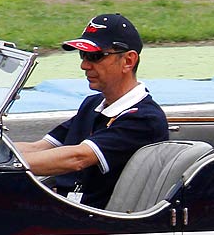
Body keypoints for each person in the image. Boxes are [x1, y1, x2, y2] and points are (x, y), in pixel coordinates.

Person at [15, 13, 169, 209]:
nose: (84, 65)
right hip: (65, 210)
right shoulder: (92, 105)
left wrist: (3, 167)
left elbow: (77, 158)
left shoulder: (143, 119)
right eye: (83, 55)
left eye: (95, 56)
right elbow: (40, 148)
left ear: (128, 61)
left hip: (96, 223)